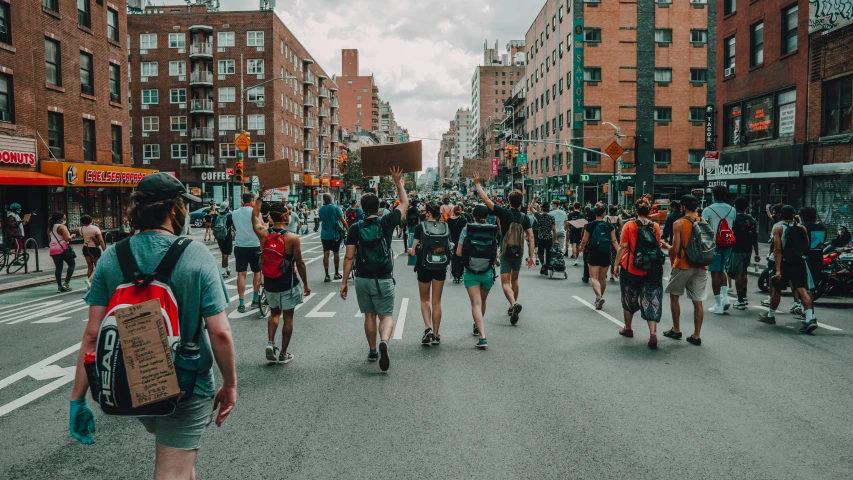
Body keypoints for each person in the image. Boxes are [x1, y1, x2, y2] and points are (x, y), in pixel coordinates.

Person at [68, 173, 237, 479]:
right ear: (174, 209)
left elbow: (92, 335)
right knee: (171, 469)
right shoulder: (195, 254)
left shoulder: (112, 256)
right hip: (187, 385)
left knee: (181, 460)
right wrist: (230, 384)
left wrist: (77, 399)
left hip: (132, 381)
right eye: (184, 205)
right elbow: (220, 332)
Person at [340, 167, 408, 371]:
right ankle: (384, 341)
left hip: (362, 278)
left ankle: (372, 350)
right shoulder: (386, 222)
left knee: (369, 315)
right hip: (384, 277)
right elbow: (404, 204)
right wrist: (397, 181)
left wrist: (344, 282)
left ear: (361, 208)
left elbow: (349, 256)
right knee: (386, 315)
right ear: (378, 207)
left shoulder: (355, 228)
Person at [252, 191, 310, 364]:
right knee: (288, 317)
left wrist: (260, 197)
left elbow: (254, 216)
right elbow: (300, 263)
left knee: (274, 314)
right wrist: (306, 284)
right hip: (288, 283)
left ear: (270, 217)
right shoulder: (292, 238)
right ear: (285, 217)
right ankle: (284, 353)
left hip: (269, 282)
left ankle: (270, 342)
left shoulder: (263, 234)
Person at [473, 173, 534, 325]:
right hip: (519, 253)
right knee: (515, 279)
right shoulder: (524, 217)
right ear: (520, 202)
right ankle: (512, 305)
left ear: (509, 200)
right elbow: (531, 237)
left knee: (505, 283)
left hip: (506, 252)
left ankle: (513, 304)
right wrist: (532, 256)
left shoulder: (504, 213)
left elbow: (486, 200)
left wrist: (477, 184)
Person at [758, 206, 818, 333]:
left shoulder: (778, 228)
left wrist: (778, 270)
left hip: (785, 263)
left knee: (776, 289)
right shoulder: (802, 227)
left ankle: (770, 315)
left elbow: (778, 250)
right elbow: (806, 244)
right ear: (793, 214)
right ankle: (809, 318)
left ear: (780, 215)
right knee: (802, 290)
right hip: (799, 262)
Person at [614, 198, 664, 348]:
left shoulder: (629, 225)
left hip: (631, 268)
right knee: (652, 298)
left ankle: (628, 328)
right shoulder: (655, 226)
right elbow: (657, 244)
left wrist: (616, 264)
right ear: (649, 211)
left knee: (629, 297)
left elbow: (623, 246)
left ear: (635, 210)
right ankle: (653, 334)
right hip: (652, 269)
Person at [664, 195, 708, 345]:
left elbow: (676, 249)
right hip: (701, 265)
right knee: (698, 301)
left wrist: (666, 246)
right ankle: (696, 335)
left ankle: (676, 330)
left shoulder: (679, 223)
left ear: (683, 207)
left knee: (674, 296)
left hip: (683, 265)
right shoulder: (703, 222)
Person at [456, 204, 498, 348]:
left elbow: (458, 252)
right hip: (487, 272)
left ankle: (482, 336)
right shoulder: (492, 229)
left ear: (473, 215)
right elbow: (495, 254)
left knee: (476, 303)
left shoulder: (467, 229)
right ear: (487, 216)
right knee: (483, 302)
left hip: (471, 272)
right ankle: (477, 325)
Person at [408, 202, 448, 346]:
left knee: (425, 300)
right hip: (440, 266)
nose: (422, 212)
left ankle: (428, 328)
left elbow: (413, 251)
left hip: (424, 266)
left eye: (424, 210)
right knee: (437, 301)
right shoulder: (444, 226)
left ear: (429, 213)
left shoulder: (420, 227)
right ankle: (436, 335)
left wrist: (410, 251)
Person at [702, 185, 737, 314]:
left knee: (714, 273)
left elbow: (704, 229)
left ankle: (718, 305)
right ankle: (725, 298)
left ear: (713, 195)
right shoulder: (732, 210)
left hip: (714, 244)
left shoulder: (708, 210)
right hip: (728, 243)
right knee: (722, 270)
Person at [579, 205, 619, 309]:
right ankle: (600, 297)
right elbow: (614, 241)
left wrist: (581, 247)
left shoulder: (590, 225)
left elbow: (585, 239)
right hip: (606, 253)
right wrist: (619, 253)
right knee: (602, 278)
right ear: (604, 213)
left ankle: (599, 296)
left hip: (593, 252)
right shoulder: (609, 225)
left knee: (594, 278)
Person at [727, 197, 761, 310]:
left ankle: (740, 299)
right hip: (748, 249)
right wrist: (756, 253)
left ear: (735, 206)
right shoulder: (751, 219)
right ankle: (744, 297)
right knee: (744, 273)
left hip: (736, 249)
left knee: (738, 274)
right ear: (747, 206)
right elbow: (755, 238)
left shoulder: (734, 220)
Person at [232, 192, 262, 313]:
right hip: (254, 245)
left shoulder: (234, 213)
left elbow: (235, 227)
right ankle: (255, 299)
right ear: (252, 201)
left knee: (241, 274)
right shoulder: (255, 213)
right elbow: (261, 226)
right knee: (257, 271)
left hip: (240, 246)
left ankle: (241, 302)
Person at [318, 194, 346, 282]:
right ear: (330, 199)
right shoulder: (336, 208)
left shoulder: (321, 209)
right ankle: (336, 273)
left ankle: (326, 275)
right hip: (335, 235)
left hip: (324, 234)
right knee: (336, 252)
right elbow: (343, 220)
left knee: (326, 254)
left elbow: (322, 219)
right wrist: (348, 229)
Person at [48, 212, 76, 292]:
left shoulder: (50, 227)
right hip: (63, 248)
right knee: (72, 264)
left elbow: (49, 238)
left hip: (53, 249)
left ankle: (59, 286)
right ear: (59, 219)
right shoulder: (62, 227)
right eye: (64, 218)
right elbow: (67, 238)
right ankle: (66, 283)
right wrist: (72, 236)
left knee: (58, 268)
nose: (65, 220)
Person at [80, 215, 105, 291]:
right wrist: (104, 249)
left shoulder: (81, 229)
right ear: (91, 220)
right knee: (98, 266)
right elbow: (101, 240)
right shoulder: (95, 228)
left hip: (85, 248)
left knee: (90, 266)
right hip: (94, 249)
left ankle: (89, 284)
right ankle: (92, 281)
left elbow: (83, 237)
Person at [211, 201, 234, 278]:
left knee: (223, 253)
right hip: (227, 237)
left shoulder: (216, 216)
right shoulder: (229, 216)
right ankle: (222, 270)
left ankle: (227, 269)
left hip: (219, 236)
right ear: (227, 208)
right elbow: (233, 226)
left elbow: (212, 226)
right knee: (226, 254)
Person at [533, 201, 557, 274]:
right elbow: (554, 229)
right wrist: (555, 239)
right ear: (549, 209)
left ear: (542, 208)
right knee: (548, 253)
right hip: (549, 238)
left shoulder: (539, 216)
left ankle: (543, 264)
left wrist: (534, 199)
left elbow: (530, 208)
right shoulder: (551, 217)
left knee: (540, 253)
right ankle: (546, 266)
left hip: (540, 237)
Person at [447, 204, 468, 283]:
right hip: (461, 242)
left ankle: (455, 275)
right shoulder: (463, 220)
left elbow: (447, 231)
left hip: (452, 241)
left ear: (453, 211)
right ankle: (460, 274)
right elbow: (466, 231)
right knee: (461, 258)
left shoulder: (448, 220)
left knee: (454, 259)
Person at [661, 201, 682, 266]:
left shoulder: (670, 217)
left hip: (673, 241)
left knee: (674, 263)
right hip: (684, 243)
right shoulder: (684, 216)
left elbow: (666, 230)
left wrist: (665, 237)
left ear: (674, 208)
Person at [605, 205, 623, 281]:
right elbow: (620, 228)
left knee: (606, 255)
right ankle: (612, 274)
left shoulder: (606, 218)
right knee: (614, 256)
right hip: (616, 238)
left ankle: (605, 272)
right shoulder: (618, 218)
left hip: (607, 237)